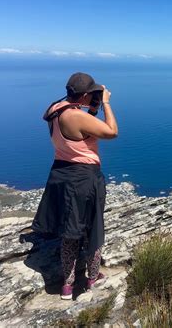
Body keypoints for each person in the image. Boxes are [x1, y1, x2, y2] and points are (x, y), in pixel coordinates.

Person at [32, 72, 118, 300]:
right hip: (84, 179)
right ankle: (92, 278)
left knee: (69, 232)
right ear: (86, 94)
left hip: (61, 173)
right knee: (92, 228)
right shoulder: (75, 116)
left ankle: (67, 286)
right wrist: (106, 104)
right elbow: (111, 132)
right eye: (93, 94)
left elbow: (79, 131)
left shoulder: (56, 108)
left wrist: (91, 108)